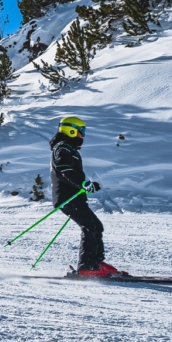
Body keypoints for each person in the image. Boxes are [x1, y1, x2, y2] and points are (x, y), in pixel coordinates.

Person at [49, 116, 117, 278]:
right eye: (81, 132)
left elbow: (70, 171)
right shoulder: (63, 148)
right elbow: (64, 169)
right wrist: (83, 183)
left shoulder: (68, 148)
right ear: (70, 130)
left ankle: (96, 263)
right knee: (90, 227)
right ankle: (87, 266)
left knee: (96, 226)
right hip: (67, 198)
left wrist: (86, 184)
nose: (83, 136)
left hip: (74, 197)